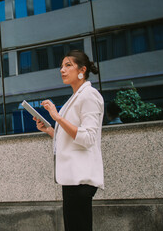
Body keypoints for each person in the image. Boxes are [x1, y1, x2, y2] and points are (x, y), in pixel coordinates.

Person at [33, 50, 104, 231]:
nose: (62, 70)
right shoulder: (74, 98)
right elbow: (69, 137)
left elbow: (88, 137)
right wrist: (49, 129)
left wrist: (57, 117)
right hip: (72, 178)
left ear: (82, 70)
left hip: (81, 179)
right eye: (61, 66)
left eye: (68, 65)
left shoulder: (89, 95)